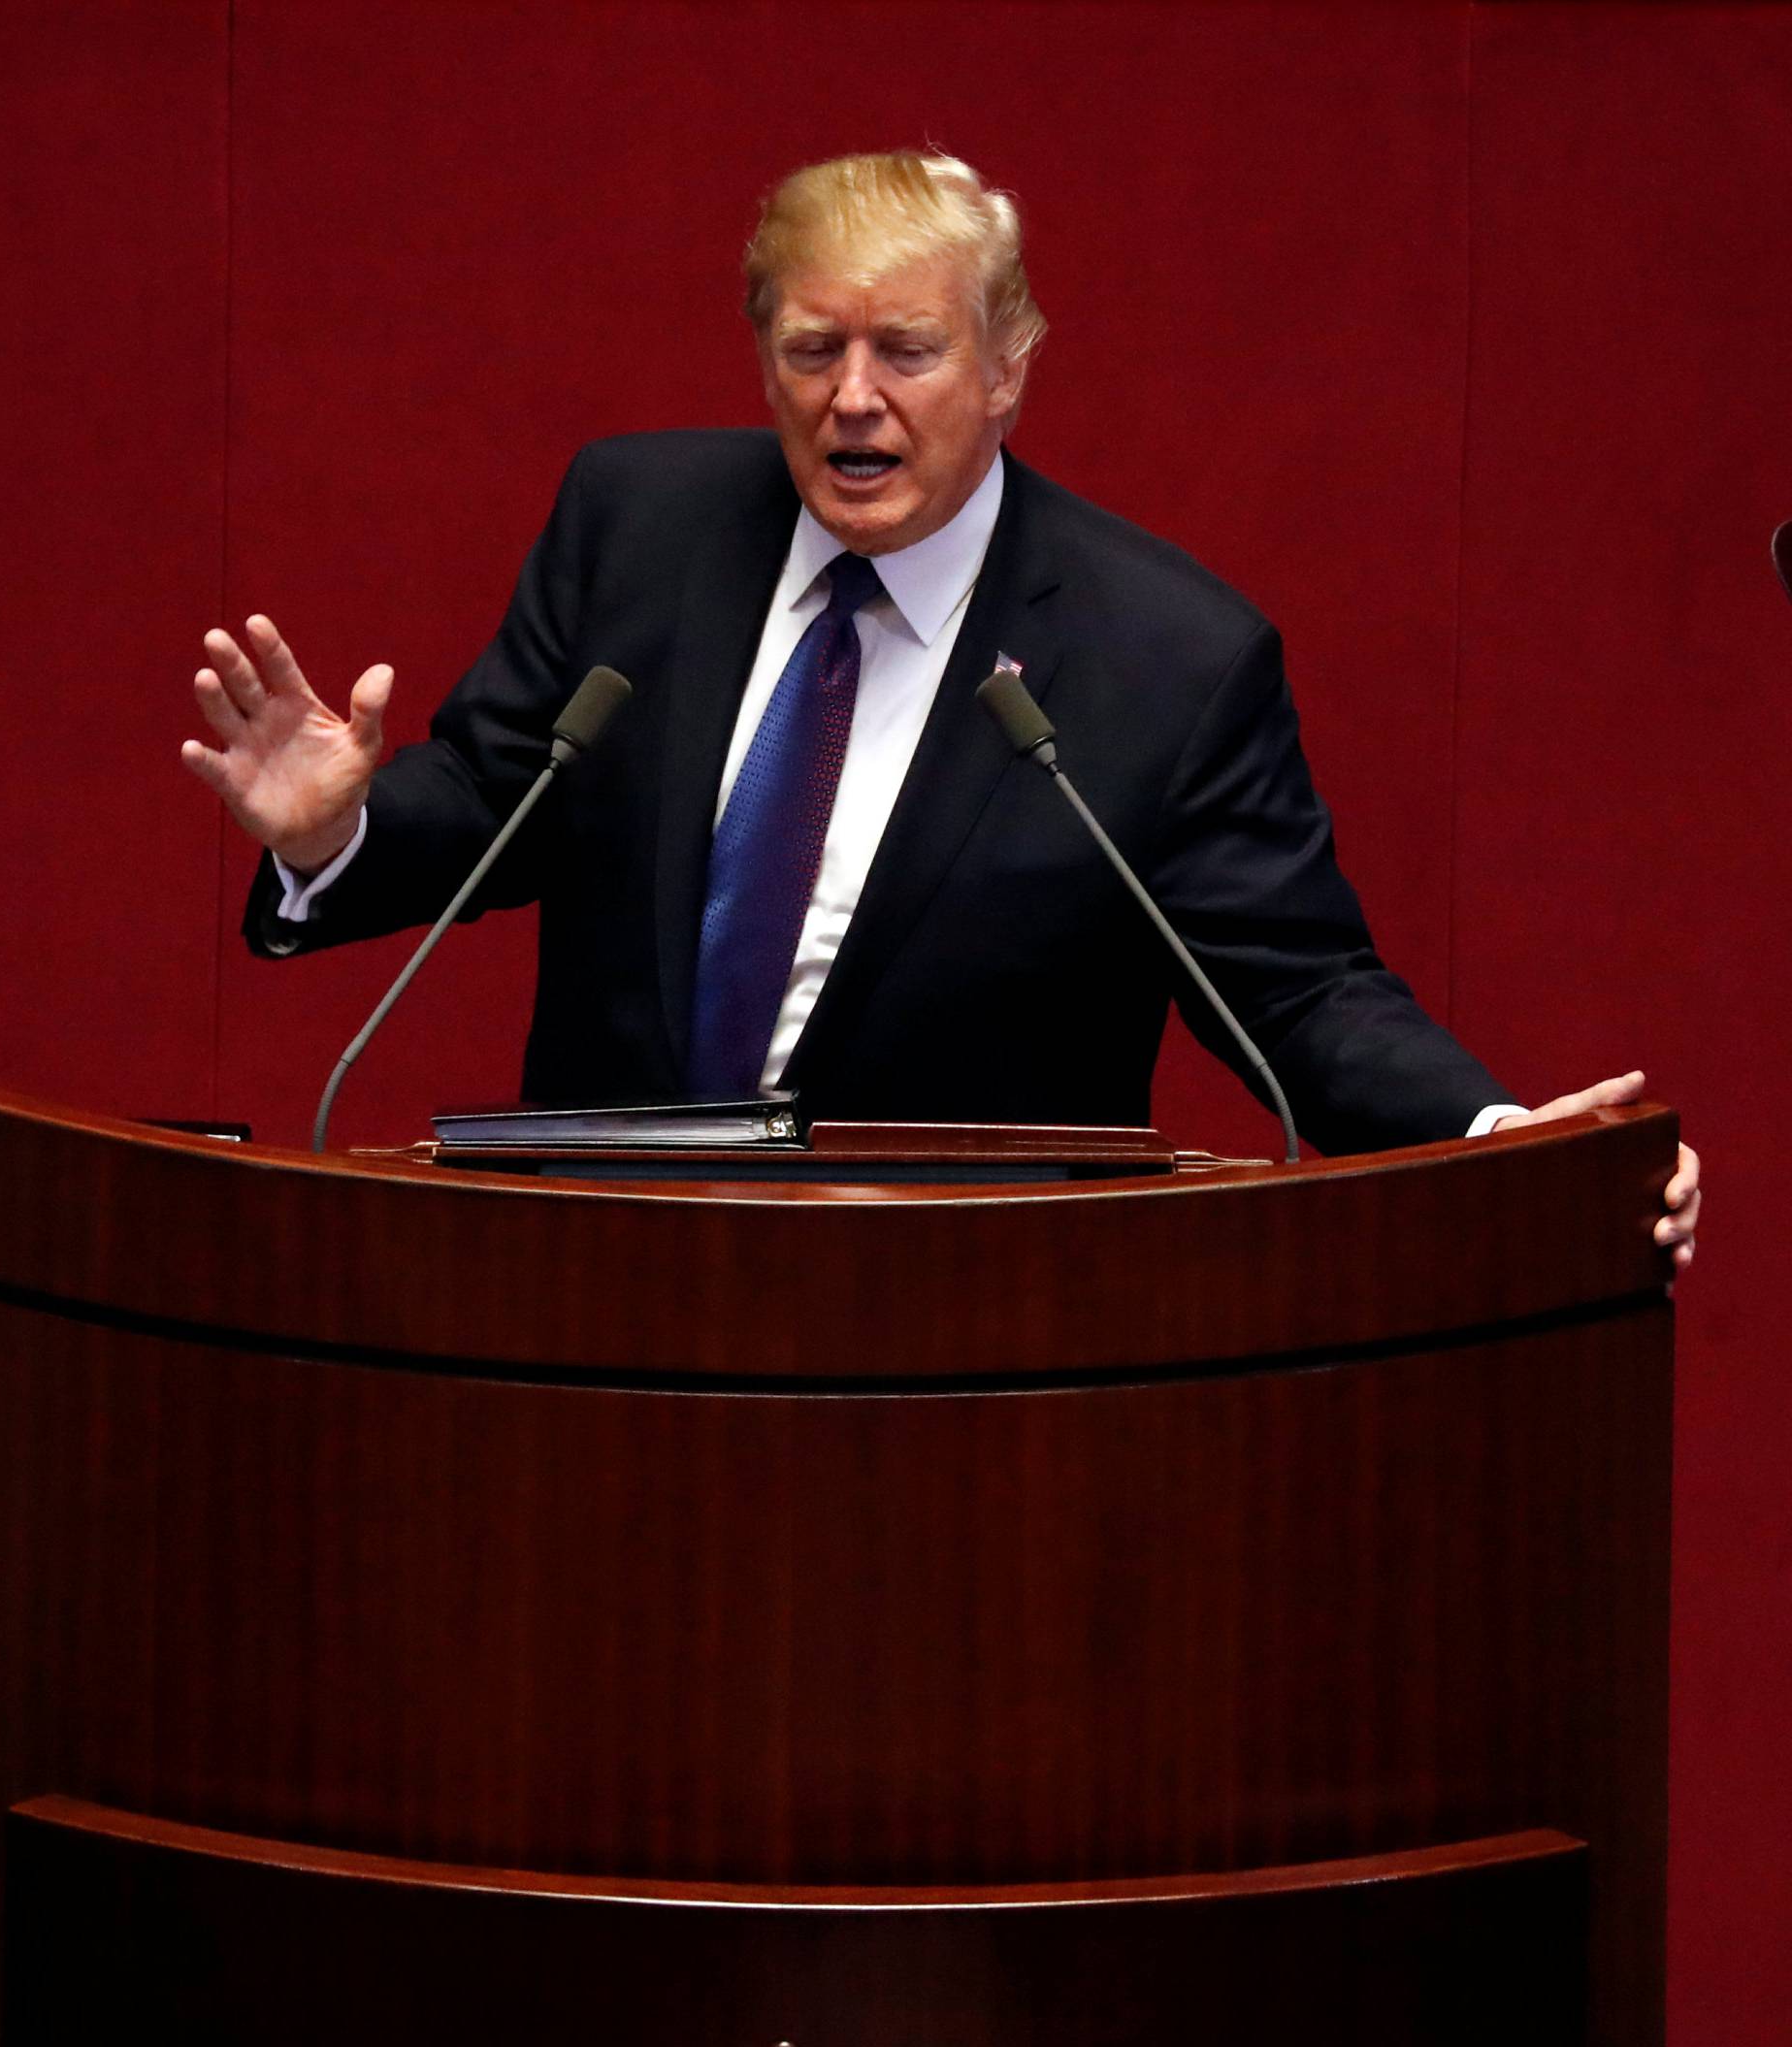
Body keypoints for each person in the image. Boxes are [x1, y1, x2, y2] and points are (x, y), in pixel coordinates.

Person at [181, 150, 1698, 1258]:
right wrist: (344, 826)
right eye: (812, 350)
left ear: (1008, 370)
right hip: (593, 1280)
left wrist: (1503, 1142)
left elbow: (1294, 993)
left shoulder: (1161, 656)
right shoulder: (633, 523)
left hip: (967, 1327)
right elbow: (505, 793)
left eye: (907, 352)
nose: (854, 399)